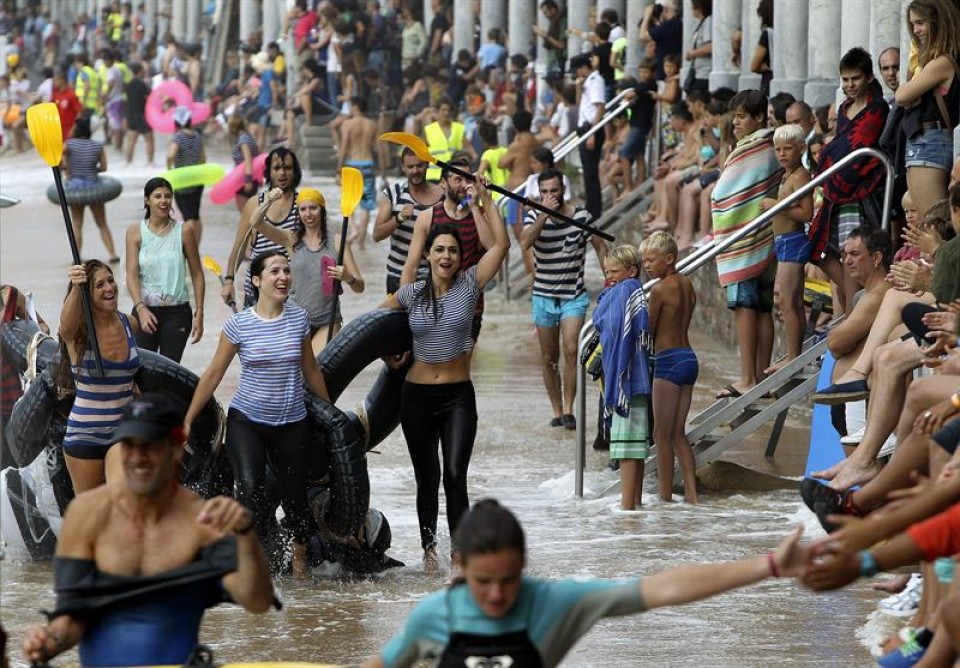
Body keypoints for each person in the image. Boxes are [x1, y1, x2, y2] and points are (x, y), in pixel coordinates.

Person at [362, 498, 808, 668]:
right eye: (483, 582)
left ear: (524, 565)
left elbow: (665, 588)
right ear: (458, 567)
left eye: (508, 580)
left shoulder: (559, 602)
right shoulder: (432, 618)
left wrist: (769, 564)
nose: (496, 594)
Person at [21, 393, 276, 668]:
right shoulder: (86, 516)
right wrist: (49, 641)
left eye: (149, 446)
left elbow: (257, 601)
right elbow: (72, 616)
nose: (138, 458)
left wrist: (246, 537)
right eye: (129, 445)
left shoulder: (202, 522)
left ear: (176, 448)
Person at [381, 175, 510, 571]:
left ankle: (459, 553)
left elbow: (501, 246)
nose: (446, 256)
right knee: (427, 478)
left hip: (457, 398)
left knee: (455, 475)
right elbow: (372, 326)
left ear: (459, 257)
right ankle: (429, 553)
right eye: (439, 249)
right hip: (416, 398)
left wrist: (484, 200)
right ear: (428, 255)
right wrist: (388, 354)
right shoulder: (409, 294)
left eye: (452, 250)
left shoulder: (470, 284)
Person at [185, 250, 330, 577]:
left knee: (295, 498)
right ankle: (247, 560)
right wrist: (188, 419)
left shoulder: (299, 319)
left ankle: (299, 559)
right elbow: (213, 374)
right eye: (274, 271)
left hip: (291, 422)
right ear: (256, 280)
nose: (283, 277)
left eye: (286, 271)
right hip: (247, 421)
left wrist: (331, 417)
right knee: (249, 488)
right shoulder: (238, 325)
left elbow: (311, 371)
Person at [521, 169, 608, 429]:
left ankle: (569, 409)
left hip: (573, 296)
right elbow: (524, 243)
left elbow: (600, 247)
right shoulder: (533, 216)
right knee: (549, 357)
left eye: (554, 191)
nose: (550, 196)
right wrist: (543, 214)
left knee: (571, 350)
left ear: (563, 190)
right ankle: (557, 410)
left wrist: (612, 283)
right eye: (544, 192)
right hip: (543, 297)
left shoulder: (581, 216)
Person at [808, 47, 890, 315]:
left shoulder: (877, 108)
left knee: (852, 255)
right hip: (836, 196)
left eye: (855, 78)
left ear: (868, 78)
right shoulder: (844, 109)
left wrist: (829, 158)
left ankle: (853, 318)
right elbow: (840, 148)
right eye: (845, 80)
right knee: (829, 253)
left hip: (861, 192)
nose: (850, 85)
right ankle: (849, 314)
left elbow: (857, 148)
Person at [711, 90, 780, 398]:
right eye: (734, 117)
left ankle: (747, 378)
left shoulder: (755, 149)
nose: (735, 123)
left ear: (758, 117)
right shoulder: (771, 145)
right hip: (765, 238)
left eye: (741, 117)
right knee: (762, 307)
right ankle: (761, 378)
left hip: (744, 240)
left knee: (744, 306)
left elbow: (723, 193)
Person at [59, 261, 140, 494]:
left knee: (123, 500)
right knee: (91, 510)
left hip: (123, 432)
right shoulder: (78, 333)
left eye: (111, 280)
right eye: (100, 285)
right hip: (85, 436)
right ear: (87, 293)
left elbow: (133, 381)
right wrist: (77, 287)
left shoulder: (129, 323)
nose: (109, 288)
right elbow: (65, 328)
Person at [250, 186, 365, 353]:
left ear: (322, 210)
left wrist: (348, 278)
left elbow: (360, 287)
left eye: (313, 208)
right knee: (294, 366)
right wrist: (268, 200)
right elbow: (255, 222)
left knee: (317, 365)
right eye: (303, 209)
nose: (308, 213)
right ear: (298, 213)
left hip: (328, 320)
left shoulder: (338, 241)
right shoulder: (291, 239)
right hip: (295, 318)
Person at [402, 156, 502, 339]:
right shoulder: (427, 217)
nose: (464, 185)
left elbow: (494, 248)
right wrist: (404, 310)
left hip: (470, 306)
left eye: (467, 179)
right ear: (443, 183)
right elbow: (411, 267)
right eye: (458, 179)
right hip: (434, 303)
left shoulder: (480, 215)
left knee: (461, 357)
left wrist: (475, 207)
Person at [641, 231, 699, 504]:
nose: (647, 266)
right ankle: (692, 495)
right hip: (689, 357)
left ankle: (665, 498)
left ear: (669, 259)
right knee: (678, 433)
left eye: (651, 260)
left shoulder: (659, 290)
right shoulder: (687, 284)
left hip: (668, 361)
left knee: (661, 435)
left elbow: (649, 331)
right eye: (644, 261)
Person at [593, 245, 652, 510]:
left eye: (614, 271)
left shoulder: (624, 291)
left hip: (624, 380)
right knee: (636, 447)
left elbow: (609, 322)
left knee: (627, 449)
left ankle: (627, 510)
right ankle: (635, 506)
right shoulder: (635, 290)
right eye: (607, 272)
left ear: (631, 271)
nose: (610, 278)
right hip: (638, 378)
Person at [124, 177, 204, 363]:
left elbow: (197, 273)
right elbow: (131, 275)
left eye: (168, 196)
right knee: (143, 368)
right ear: (147, 200)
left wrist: (199, 311)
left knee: (170, 369)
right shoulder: (135, 232)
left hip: (177, 312)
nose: (164, 200)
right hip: (144, 309)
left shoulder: (184, 231)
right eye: (157, 196)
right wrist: (140, 308)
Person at [897, 0, 960, 219]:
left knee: (934, 223)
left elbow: (901, 94)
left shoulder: (943, 61)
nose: (915, 30)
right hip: (928, 141)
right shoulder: (935, 60)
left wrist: (909, 94)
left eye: (920, 23)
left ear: (937, 21)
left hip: (929, 142)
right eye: (912, 24)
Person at [759, 123, 813, 372]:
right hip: (782, 241)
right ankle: (792, 353)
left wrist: (776, 206)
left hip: (793, 240)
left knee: (786, 299)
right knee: (789, 299)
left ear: (801, 148)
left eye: (787, 149)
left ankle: (793, 356)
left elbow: (806, 213)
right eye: (778, 149)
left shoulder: (800, 175)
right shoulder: (787, 175)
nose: (781, 154)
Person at [222, 147, 303, 309]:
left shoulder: (303, 205)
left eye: (287, 168)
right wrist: (229, 280)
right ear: (269, 172)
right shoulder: (254, 204)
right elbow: (239, 247)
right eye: (277, 168)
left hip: (291, 292)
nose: (282, 173)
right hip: (256, 293)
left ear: (295, 172)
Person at [374, 147, 444, 294]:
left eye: (419, 166)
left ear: (427, 164)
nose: (415, 171)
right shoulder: (394, 193)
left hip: (433, 276)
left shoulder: (442, 196)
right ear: (403, 168)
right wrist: (398, 219)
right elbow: (377, 235)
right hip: (397, 273)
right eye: (410, 167)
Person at [0, 285, 49, 466]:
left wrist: (29, 343)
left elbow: (42, 327)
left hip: (14, 399)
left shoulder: (9, 296)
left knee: (17, 463)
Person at [63, 118, 120, 263]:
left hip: (75, 188)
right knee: (102, 223)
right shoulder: (97, 145)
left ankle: (77, 257)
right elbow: (104, 167)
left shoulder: (70, 144)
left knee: (77, 224)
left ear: (77, 129)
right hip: (93, 187)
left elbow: (58, 158)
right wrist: (91, 170)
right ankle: (112, 254)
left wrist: (67, 168)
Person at [338, 96, 382, 250]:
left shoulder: (347, 124)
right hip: (368, 164)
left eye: (351, 106)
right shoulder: (372, 125)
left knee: (348, 201)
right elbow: (377, 150)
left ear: (356, 106)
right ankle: (361, 244)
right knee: (366, 205)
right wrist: (382, 173)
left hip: (352, 164)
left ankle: (354, 229)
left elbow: (344, 148)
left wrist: (338, 169)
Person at [573, 51, 606, 222]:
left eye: (577, 70)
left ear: (583, 68)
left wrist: (592, 133)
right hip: (584, 128)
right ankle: (590, 206)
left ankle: (594, 209)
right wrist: (579, 88)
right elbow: (579, 104)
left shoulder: (596, 80)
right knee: (587, 172)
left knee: (591, 173)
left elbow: (600, 107)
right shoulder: (586, 82)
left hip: (591, 128)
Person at [166, 106, 207, 245]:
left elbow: (170, 155)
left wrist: (169, 169)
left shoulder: (178, 137)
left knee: (188, 217)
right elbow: (203, 158)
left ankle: (190, 249)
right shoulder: (197, 135)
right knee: (195, 216)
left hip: (182, 181)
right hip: (197, 179)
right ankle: (196, 248)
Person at [619, 59, 658, 193]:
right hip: (636, 123)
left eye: (646, 72)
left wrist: (627, 95)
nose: (643, 75)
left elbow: (632, 93)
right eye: (641, 72)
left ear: (652, 73)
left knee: (624, 153)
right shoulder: (642, 86)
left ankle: (628, 187)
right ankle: (640, 185)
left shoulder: (650, 85)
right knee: (639, 155)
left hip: (640, 125)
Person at [422, 97, 476, 182]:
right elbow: (422, 151)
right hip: (434, 175)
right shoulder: (429, 129)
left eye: (448, 110)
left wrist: (475, 158)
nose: (446, 113)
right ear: (437, 111)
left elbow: (468, 146)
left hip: (453, 174)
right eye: (443, 110)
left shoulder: (459, 128)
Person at [228, 112, 261, 212]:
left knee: (244, 213)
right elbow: (257, 157)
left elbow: (248, 159)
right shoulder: (248, 137)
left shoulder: (242, 139)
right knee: (251, 212)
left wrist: (248, 180)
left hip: (244, 179)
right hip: (251, 177)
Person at [124, 62, 154, 165]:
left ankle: (128, 163)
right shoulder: (143, 85)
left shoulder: (128, 85)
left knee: (131, 141)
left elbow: (128, 100)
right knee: (149, 140)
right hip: (142, 115)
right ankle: (150, 162)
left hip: (131, 114)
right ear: (140, 71)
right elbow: (148, 98)